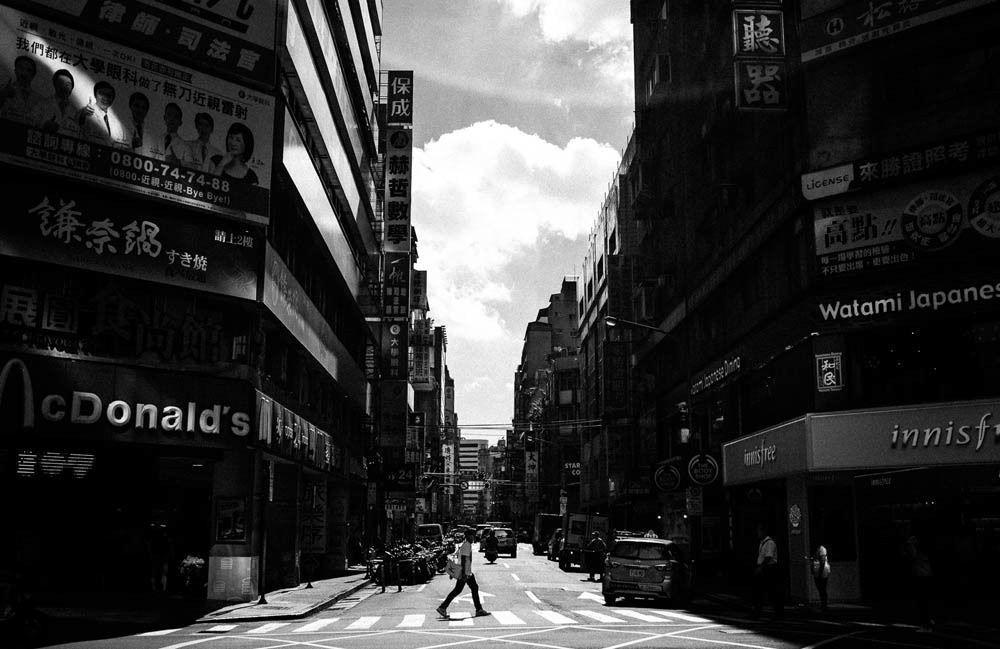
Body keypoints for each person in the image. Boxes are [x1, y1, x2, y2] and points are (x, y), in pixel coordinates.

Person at [436, 529, 490, 619]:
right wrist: (464, 573)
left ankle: (478, 609)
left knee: (470, 588)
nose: (473, 537)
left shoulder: (466, 545)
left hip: (467, 572)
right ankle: (443, 607)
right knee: (460, 590)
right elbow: (464, 559)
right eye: (472, 535)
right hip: (465, 573)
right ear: (468, 536)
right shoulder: (466, 545)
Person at [904, 534, 934, 632]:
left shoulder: (916, 551)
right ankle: (928, 621)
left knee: (922, 602)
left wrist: (910, 545)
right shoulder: (924, 552)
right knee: (925, 602)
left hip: (921, 576)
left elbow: (912, 556)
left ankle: (926, 625)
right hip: (926, 575)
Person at [0, 55, 43, 124]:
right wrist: (3, 96)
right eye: (21, 68)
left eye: (29, 70)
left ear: (33, 75)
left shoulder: (39, 99)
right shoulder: (3, 89)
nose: (24, 73)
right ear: (15, 70)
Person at [37, 69, 80, 135]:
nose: (64, 87)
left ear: (72, 87)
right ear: (54, 85)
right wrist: (44, 126)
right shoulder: (43, 104)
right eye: (61, 83)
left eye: (68, 84)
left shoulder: (75, 111)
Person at [753, 523, 782, 619]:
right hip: (765, 567)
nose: (757, 533)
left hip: (769, 568)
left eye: (759, 531)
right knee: (759, 591)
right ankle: (758, 611)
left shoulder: (769, 543)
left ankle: (777, 613)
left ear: (763, 531)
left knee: (771, 591)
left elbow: (768, 557)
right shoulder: (762, 542)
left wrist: (761, 568)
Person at [122, 91, 154, 156]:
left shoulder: (152, 132)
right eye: (136, 106)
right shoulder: (122, 126)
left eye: (143, 108)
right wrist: (131, 145)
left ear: (147, 111)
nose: (140, 110)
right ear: (130, 106)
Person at [806, 543, 830, 612]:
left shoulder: (822, 549)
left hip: (822, 572)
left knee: (822, 588)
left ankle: (824, 605)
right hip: (818, 571)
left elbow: (822, 561)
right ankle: (823, 604)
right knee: (820, 589)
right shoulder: (817, 549)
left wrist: (820, 573)